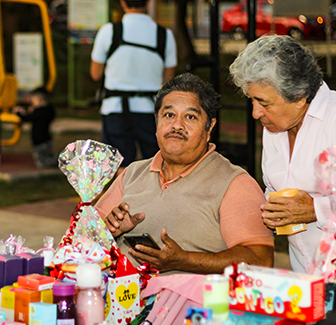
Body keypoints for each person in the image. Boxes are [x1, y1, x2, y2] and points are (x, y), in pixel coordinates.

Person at [95, 73, 274, 274]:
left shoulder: (234, 183)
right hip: (119, 298)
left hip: (190, 303)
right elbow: (82, 240)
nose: (177, 125)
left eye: (190, 117)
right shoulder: (133, 173)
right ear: (156, 123)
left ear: (209, 128)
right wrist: (109, 232)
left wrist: (184, 260)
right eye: (169, 115)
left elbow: (261, 261)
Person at [229, 34, 336, 274]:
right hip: (305, 276)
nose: (256, 112)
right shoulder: (277, 126)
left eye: (264, 103)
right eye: (252, 101)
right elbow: (274, 187)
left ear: (299, 97)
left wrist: (316, 210)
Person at [90, 0, 177, 167]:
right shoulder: (164, 35)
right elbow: (168, 80)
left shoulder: (109, 32)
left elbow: (95, 74)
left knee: (119, 167)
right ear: (148, 2)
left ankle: (123, 197)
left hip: (115, 109)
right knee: (156, 165)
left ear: (122, 3)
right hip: (151, 111)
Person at [14, 87, 58, 168]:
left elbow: (27, 118)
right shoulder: (49, 110)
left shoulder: (40, 112)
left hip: (39, 140)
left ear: (39, 99)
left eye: (33, 100)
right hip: (47, 139)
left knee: (42, 162)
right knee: (47, 156)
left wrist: (18, 113)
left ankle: (61, 159)